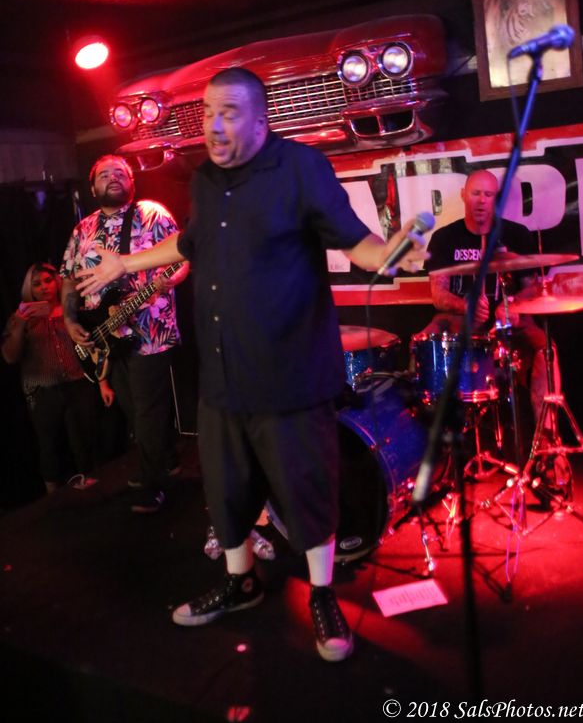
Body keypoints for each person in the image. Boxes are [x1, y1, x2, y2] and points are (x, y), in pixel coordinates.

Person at [73, 67, 425, 663]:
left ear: (262, 120)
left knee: (307, 491)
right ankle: (240, 584)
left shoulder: (301, 168)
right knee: (227, 490)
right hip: (222, 377)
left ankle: (322, 594)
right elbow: (190, 242)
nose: (214, 124)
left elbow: (356, 241)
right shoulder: (206, 180)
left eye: (229, 112)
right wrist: (124, 264)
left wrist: (390, 254)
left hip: (291, 378)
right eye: (208, 112)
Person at [60, 155, 189, 514]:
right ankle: (167, 459)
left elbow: (182, 258)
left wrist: (168, 281)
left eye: (121, 172)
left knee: (148, 410)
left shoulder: (152, 214)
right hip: (106, 334)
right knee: (132, 407)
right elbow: (68, 277)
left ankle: (151, 484)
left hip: (150, 329)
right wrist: (70, 320)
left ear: (132, 182)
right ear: (93, 187)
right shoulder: (83, 229)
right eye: (105, 174)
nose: (113, 177)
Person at [421, 169, 560, 440]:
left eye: (488, 194)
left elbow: (531, 288)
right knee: (424, 342)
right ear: (464, 195)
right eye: (476, 193)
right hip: (459, 319)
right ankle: (425, 437)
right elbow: (438, 294)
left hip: (509, 319)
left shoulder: (516, 234)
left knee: (546, 349)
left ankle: (546, 440)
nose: (482, 200)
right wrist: (465, 306)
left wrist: (512, 306)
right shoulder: (445, 238)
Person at [1, 262, 110, 493]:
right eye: (36, 283)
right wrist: (20, 323)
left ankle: (93, 491)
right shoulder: (21, 318)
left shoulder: (71, 312)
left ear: (57, 281)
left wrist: (103, 382)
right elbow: (10, 356)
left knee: (86, 442)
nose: (43, 287)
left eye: (48, 281)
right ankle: (52, 502)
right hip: (43, 391)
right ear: (29, 287)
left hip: (78, 383)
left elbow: (94, 347)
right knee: (49, 447)